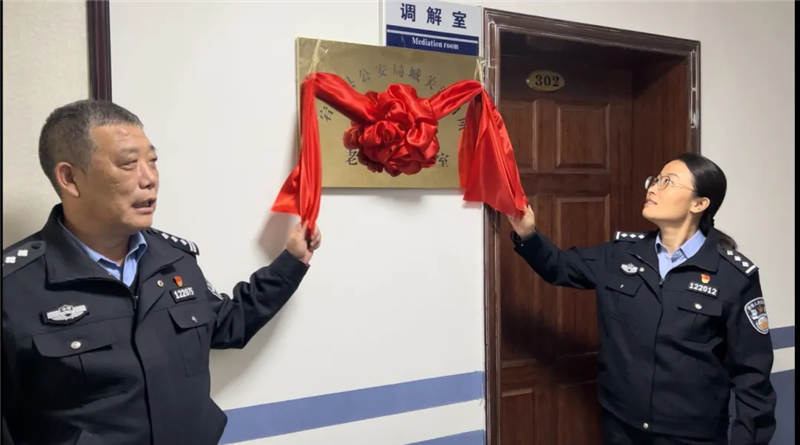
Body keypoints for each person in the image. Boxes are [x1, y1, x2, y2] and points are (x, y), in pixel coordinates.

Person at [1, 99, 322, 445]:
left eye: (152, 162)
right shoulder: (15, 288)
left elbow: (229, 324)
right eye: (129, 164)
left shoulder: (173, 259)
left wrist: (291, 262)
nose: (149, 179)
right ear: (70, 178)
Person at [507, 153, 776, 445]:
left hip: (690, 436)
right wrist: (528, 234)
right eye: (655, 179)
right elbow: (559, 266)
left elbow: (752, 377)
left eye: (667, 182)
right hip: (622, 427)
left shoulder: (733, 276)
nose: (653, 188)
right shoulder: (622, 254)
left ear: (699, 204)